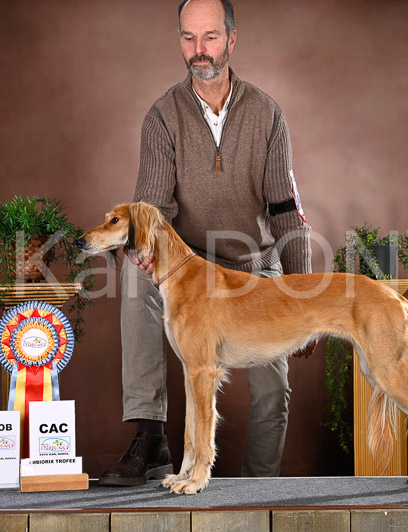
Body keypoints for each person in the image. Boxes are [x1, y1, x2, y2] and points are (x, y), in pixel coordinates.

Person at [99, 0, 316, 487]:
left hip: (254, 266)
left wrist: (302, 291)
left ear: (231, 40)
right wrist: (143, 253)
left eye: (210, 37)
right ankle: (150, 435)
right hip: (189, 267)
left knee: (272, 390)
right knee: (135, 281)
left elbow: (286, 209)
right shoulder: (162, 116)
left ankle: (258, 488)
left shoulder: (267, 113)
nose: (199, 49)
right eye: (188, 37)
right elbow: (152, 207)